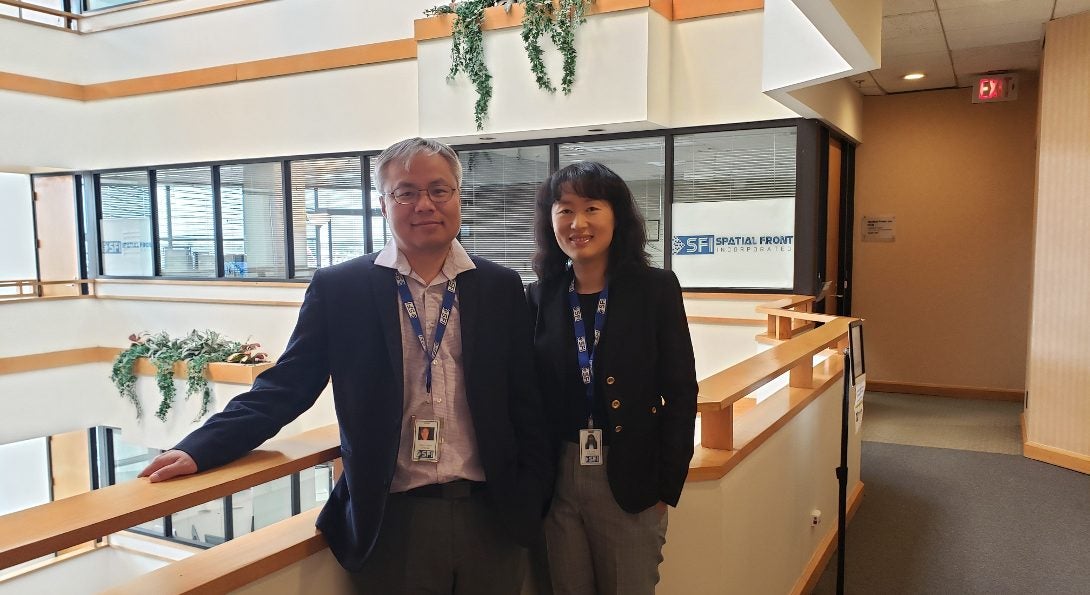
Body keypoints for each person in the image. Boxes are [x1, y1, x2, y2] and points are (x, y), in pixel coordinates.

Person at [139, 137, 553, 594]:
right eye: (406, 192)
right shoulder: (341, 289)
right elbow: (287, 386)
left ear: (458, 196)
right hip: (391, 519)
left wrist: (531, 495)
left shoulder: (500, 286)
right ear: (382, 203)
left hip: (491, 514)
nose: (424, 204)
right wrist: (201, 447)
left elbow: (527, 400)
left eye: (439, 190)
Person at [526, 161, 698, 594]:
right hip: (558, 478)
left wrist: (665, 487)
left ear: (616, 216)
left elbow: (680, 391)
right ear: (551, 221)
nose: (577, 223)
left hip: (631, 474)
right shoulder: (540, 295)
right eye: (564, 210)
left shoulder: (655, 289)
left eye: (591, 208)